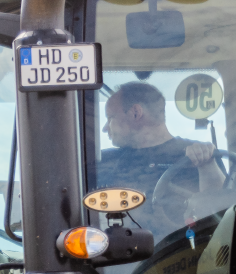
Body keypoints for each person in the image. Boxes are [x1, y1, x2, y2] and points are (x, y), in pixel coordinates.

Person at [96, 81, 226, 235]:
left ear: (136, 113)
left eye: (110, 117)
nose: (105, 128)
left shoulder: (201, 155)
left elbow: (222, 211)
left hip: (188, 251)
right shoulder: (102, 162)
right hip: (128, 254)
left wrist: (207, 167)